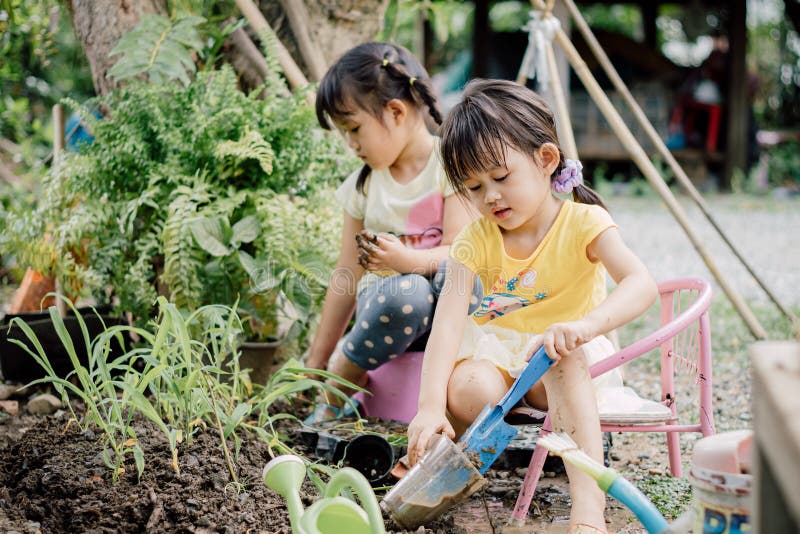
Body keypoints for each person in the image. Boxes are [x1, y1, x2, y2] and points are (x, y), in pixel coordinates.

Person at [407, 79, 658, 534]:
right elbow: (446, 323)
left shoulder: (584, 222)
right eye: (474, 187)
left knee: (561, 359)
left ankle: (588, 511)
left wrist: (585, 326)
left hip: (570, 353)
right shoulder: (476, 239)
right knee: (464, 384)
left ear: (545, 160)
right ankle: (466, 473)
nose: (490, 197)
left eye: (501, 178)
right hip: (503, 358)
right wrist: (428, 408)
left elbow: (641, 285)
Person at [303, 42, 480, 423]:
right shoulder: (365, 186)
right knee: (408, 292)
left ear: (396, 111)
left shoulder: (450, 166)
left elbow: (460, 250)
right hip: (389, 311)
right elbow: (347, 275)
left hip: (447, 309)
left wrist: (409, 260)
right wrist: (319, 358)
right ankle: (341, 381)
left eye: (354, 129)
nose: (351, 145)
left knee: (464, 277)